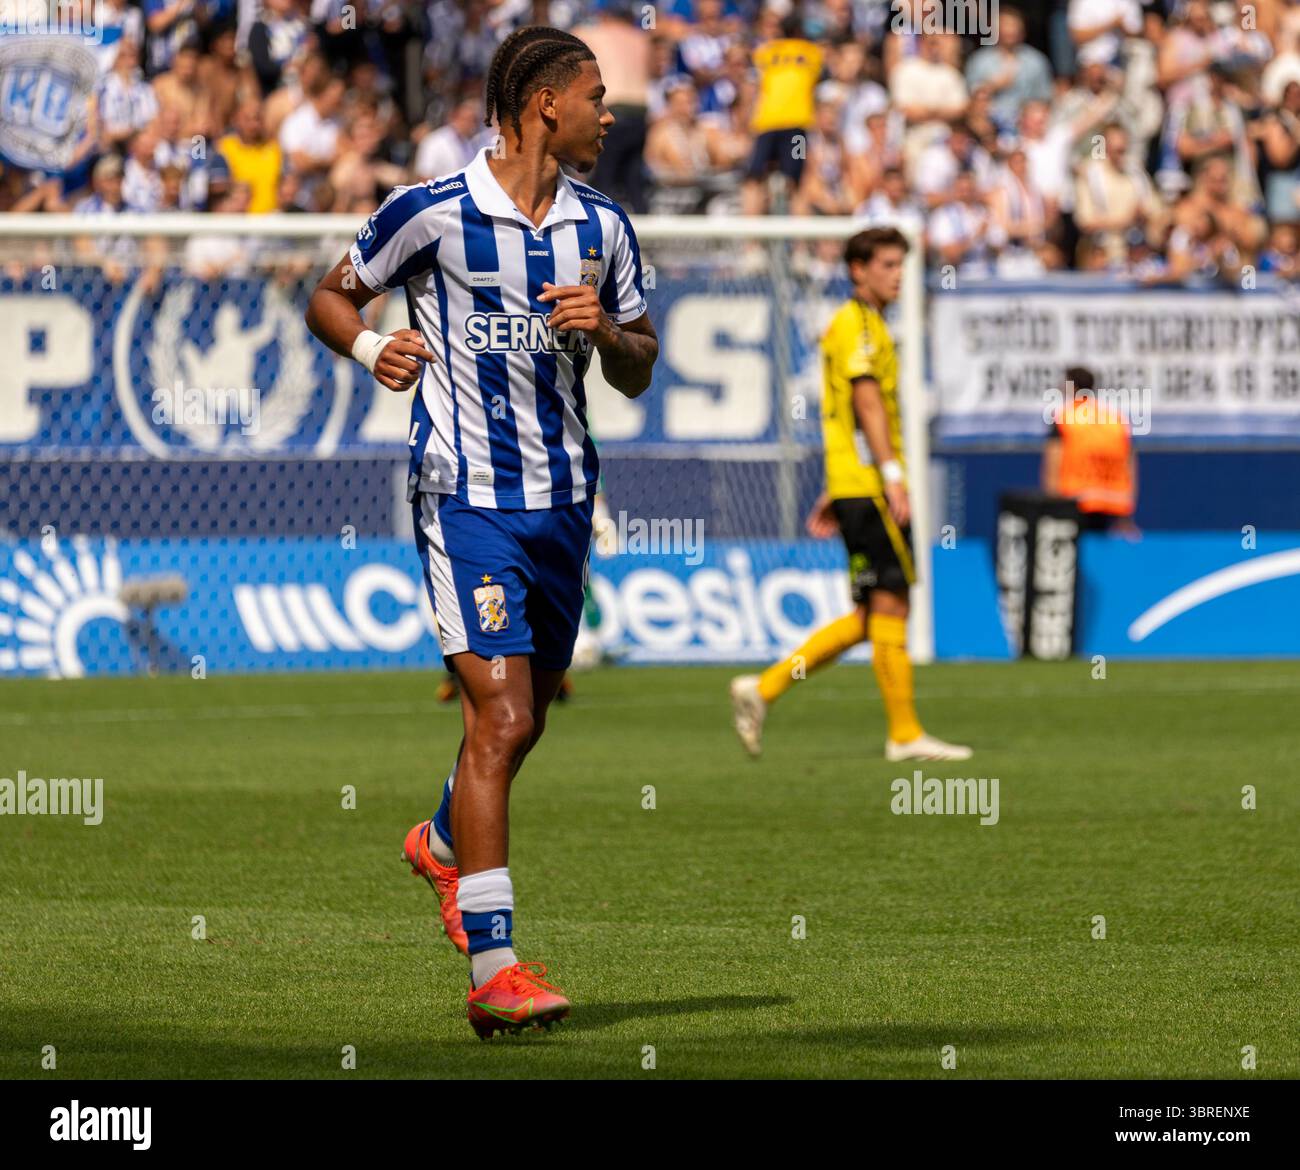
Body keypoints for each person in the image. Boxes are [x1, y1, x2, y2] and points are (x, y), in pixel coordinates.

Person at [304, 24, 658, 1038]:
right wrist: (372, 342)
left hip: (563, 501)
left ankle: (439, 837)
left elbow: (640, 360)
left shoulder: (603, 226)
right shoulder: (432, 213)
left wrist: (607, 331)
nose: (609, 111)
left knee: (527, 719)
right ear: (546, 102)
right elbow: (331, 292)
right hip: (462, 494)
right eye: (596, 94)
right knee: (499, 722)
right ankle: (494, 968)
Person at [730, 228, 971, 764]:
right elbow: (865, 403)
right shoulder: (859, 324)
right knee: (892, 602)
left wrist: (835, 489)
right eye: (886, 264)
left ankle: (763, 689)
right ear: (858, 269)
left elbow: (843, 414)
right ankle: (905, 733)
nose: (896, 274)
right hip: (869, 487)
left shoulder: (854, 324)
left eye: (900, 265)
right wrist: (889, 472)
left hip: (852, 486)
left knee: (872, 612)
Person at [1042, 366, 1139, 535]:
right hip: (1111, 506)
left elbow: (1053, 464)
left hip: (1071, 504)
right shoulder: (1114, 420)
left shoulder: (1065, 419)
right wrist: (1126, 515)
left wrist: (1052, 508)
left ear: (1073, 387)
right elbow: (1130, 464)